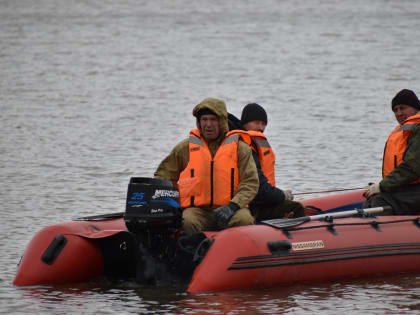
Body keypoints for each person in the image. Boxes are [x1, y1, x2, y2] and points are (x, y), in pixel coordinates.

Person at [154, 98, 259, 235]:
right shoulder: (184, 148)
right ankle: (192, 253)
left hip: (232, 209)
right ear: (199, 122)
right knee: (188, 220)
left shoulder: (240, 148)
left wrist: (232, 206)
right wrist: (174, 204)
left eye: (213, 120)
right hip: (198, 211)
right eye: (204, 119)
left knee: (244, 219)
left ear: (222, 122)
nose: (208, 125)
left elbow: (250, 182)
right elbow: (162, 177)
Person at [228, 103, 305, 221]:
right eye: (256, 122)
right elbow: (260, 189)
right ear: (244, 123)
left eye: (263, 124)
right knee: (296, 208)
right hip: (250, 205)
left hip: (255, 202)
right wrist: (282, 195)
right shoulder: (245, 146)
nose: (261, 128)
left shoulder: (240, 141)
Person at [363, 89, 420, 215]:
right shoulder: (406, 129)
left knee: (379, 201)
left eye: (403, 108)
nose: (399, 113)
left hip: (416, 189)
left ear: (415, 107)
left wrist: (382, 186)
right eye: (395, 110)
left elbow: (413, 167)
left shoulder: (418, 128)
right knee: (371, 200)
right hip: (408, 188)